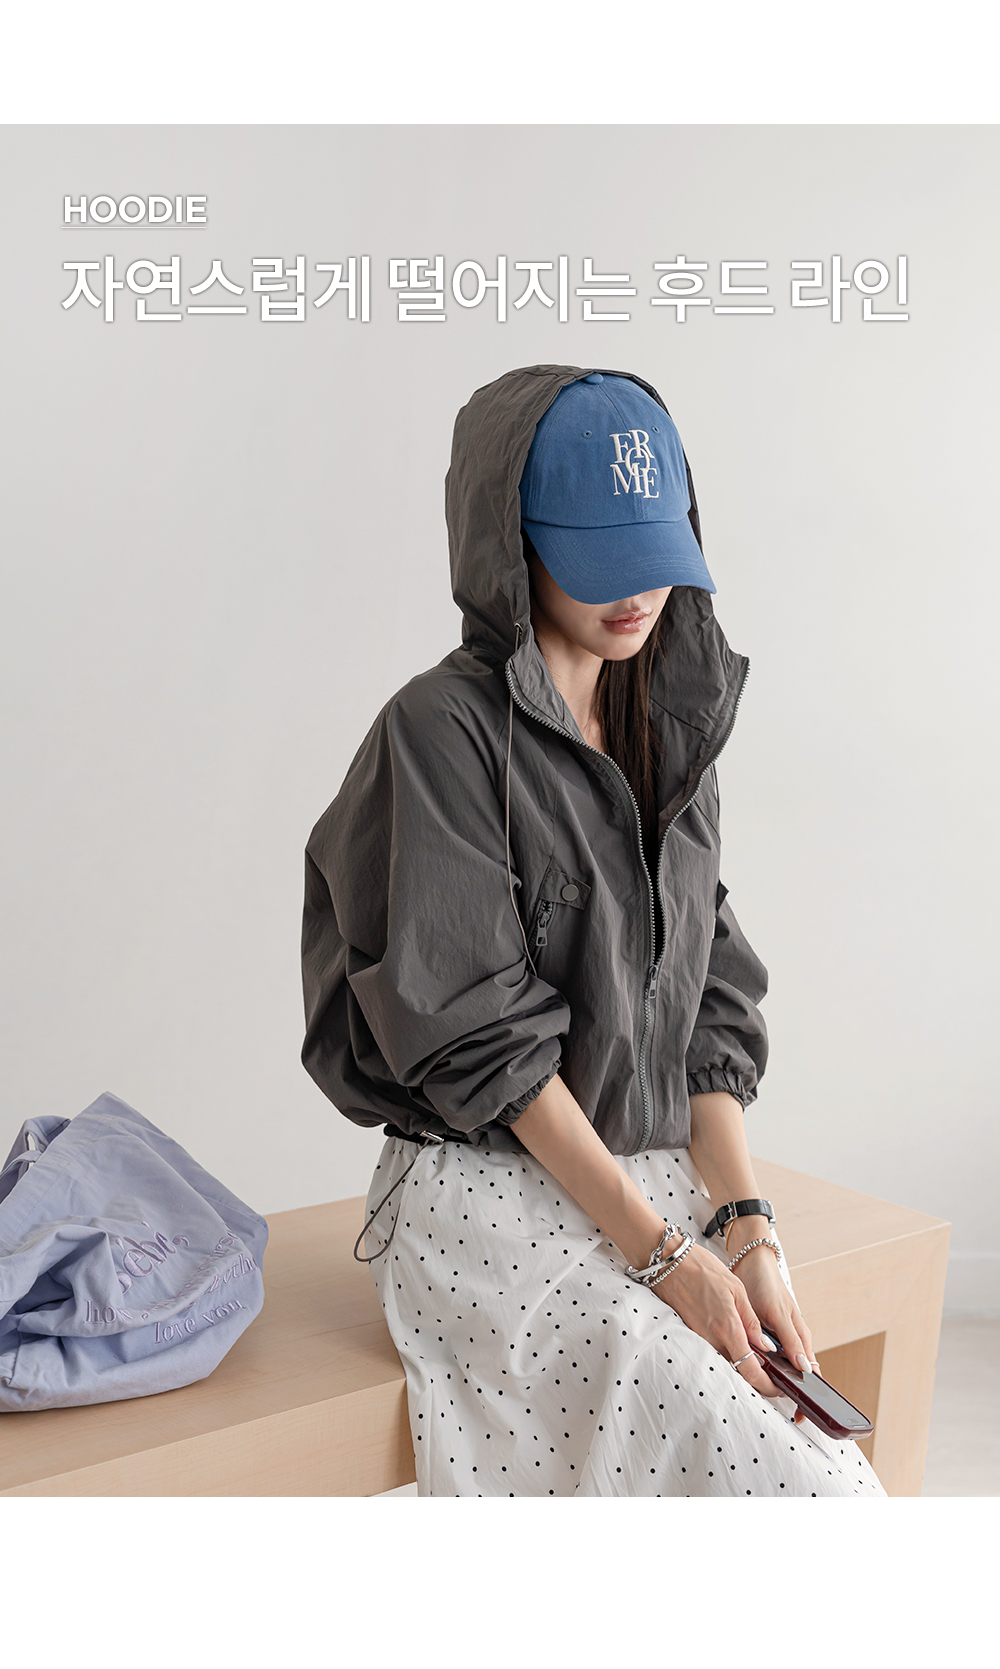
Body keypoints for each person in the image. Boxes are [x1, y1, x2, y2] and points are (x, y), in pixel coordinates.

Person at [301, 364, 886, 1497]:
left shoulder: (670, 727)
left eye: (653, 549)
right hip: (482, 1199)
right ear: (506, 544)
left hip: (652, 1177)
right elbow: (486, 1044)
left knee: (817, 1458)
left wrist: (747, 1228)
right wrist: (666, 1258)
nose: (637, 592)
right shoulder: (439, 732)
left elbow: (708, 1006)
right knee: (785, 1483)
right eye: (594, 555)